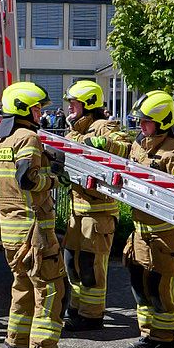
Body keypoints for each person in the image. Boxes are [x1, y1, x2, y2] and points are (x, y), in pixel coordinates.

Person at [0, 81, 70, 348]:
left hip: (11, 232)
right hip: (35, 234)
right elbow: (27, 179)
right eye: (36, 109)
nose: (40, 114)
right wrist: (54, 178)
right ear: (23, 109)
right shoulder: (28, 138)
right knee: (51, 290)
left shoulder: (1, 143)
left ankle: (17, 344)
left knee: (22, 286)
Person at [123, 90, 174, 348]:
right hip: (141, 232)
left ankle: (165, 340)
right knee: (140, 286)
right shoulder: (139, 145)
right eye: (140, 121)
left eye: (146, 121)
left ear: (162, 122)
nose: (141, 126)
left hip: (166, 236)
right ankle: (148, 335)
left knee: (161, 289)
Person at [59, 80, 131, 332]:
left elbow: (126, 149)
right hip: (77, 211)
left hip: (98, 214)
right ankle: (76, 309)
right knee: (72, 263)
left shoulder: (103, 126)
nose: (69, 107)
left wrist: (105, 145)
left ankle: (91, 316)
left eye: (74, 103)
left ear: (88, 104)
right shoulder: (74, 132)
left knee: (91, 267)